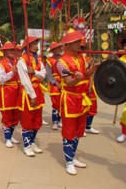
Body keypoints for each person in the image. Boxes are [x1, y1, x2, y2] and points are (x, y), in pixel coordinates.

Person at [56, 29, 99, 175]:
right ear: (67, 45)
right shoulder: (61, 62)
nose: (79, 44)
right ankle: (68, 162)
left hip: (81, 99)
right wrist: (76, 79)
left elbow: (86, 74)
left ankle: (72, 157)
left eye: (78, 41)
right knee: (69, 131)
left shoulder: (81, 57)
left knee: (78, 131)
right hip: (69, 99)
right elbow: (68, 82)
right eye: (75, 42)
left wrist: (93, 69)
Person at [17, 37, 46, 157]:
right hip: (28, 93)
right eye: (34, 44)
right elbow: (25, 80)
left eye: (36, 44)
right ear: (27, 46)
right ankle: (27, 145)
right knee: (27, 120)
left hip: (39, 90)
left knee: (37, 120)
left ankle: (33, 142)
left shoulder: (39, 59)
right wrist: (32, 95)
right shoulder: (21, 60)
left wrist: (34, 72)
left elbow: (43, 75)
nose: (36, 46)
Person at [0, 42, 21, 148]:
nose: (12, 52)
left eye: (13, 50)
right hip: (6, 92)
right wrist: (12, 72)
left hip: (17, 91)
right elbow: (1, 80)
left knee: (16, 115)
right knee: (7, 115)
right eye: (10, 50)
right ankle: (7, 138)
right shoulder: (0, 64)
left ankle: (11, 135)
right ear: (4, 52)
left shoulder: (17, 62)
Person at [46, 42, 63, 130]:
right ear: (52, 51)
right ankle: (55, 122)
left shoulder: (64, 59)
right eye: (55, 49)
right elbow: (49, 74)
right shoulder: (49, 60)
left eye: (58, 48)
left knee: (62, 103)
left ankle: (59, 120)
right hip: (54, 84)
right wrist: (56, 83)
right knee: (56, 103)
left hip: (64, 82)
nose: (57, 50)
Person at [117, 39, 126, 143]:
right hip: (124, 89)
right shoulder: (121, 60)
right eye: (125, 45)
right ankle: (124, 133)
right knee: (125, 113)